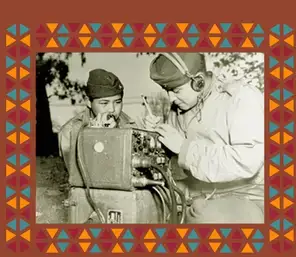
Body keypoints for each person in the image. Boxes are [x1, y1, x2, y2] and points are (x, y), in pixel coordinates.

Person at [145, 52, 265, 223]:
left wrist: (183, 148)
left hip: (249, 195)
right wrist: (157, 137)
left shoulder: (240, 99)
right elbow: (177, 169)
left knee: (203, 216)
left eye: (176, 90)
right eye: (167, 91)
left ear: (198, 81)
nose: (171, 98)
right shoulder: (179, 109)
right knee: (148, 200)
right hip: (201, 193)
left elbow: (245, 162)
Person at [58, 68, 136, 187]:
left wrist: (114, 135)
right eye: (104, 103)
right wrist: (93, 139)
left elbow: (133, 173)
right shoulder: (69, 132)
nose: (112, 109)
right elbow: (77, 177)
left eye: (117, 102)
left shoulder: (130, 126)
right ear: (88, 102)